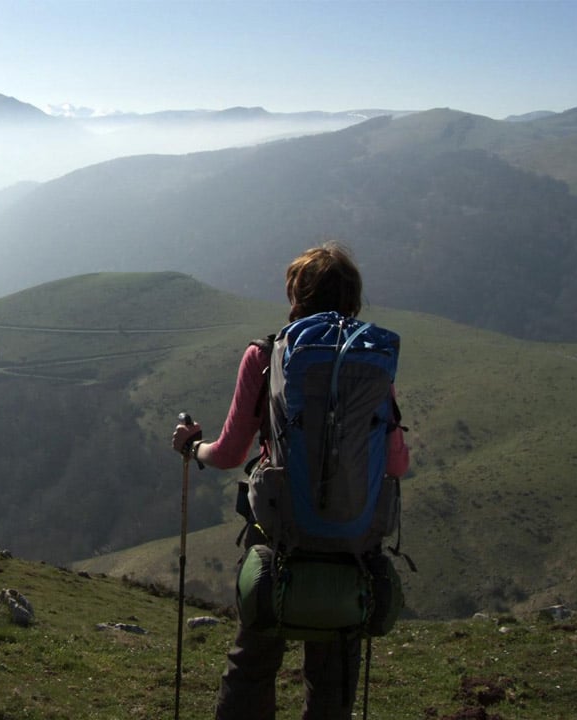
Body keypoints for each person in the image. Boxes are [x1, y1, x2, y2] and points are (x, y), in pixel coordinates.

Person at [171, 242, 409, 720]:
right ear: (353, 299)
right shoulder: (371, 364)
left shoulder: (266, 356)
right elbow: (397, 465)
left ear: (296, 295)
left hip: (280, 541)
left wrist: (191, 448)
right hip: (352, 546)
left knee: (252, 666)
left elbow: (232, 452)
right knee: (333, 679)